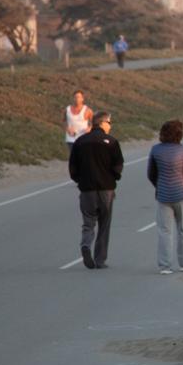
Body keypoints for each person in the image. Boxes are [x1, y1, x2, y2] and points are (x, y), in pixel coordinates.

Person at [68, 111, 123, 269]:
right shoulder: (112, 142)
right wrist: (113, 179)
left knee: (88, 222)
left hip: (87, 190)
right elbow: (118, 166)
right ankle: (100, 259)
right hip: (106, 189)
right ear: (103, 123)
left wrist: (80, 181)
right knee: (104, 223)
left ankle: (86, 245)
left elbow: (73, 167)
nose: (110, 126)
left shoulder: (80, 142)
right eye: (110, 123)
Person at [147, 120, 183, 275]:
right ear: (179, 134)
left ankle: (165, 266)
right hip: (182, 194)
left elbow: (151, 173)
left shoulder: (155, 150)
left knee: (164, 231)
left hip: (163, 195)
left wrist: (160, 186)